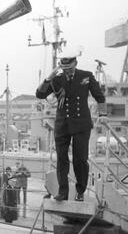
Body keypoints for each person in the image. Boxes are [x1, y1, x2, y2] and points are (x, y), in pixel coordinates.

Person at [36, 49, 107, 201]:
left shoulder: (86, 76)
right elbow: (40, 94)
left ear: (75, 63)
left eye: (70, 68)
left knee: (80, 159)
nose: (67, 71)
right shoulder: (56, 79)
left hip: (81, 123)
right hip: (62, 124)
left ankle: (80, 191)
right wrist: (49, 78)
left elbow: (99, 96)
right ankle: (63, 192)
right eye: (64, 68)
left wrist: (103, 114)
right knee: (61, 159)